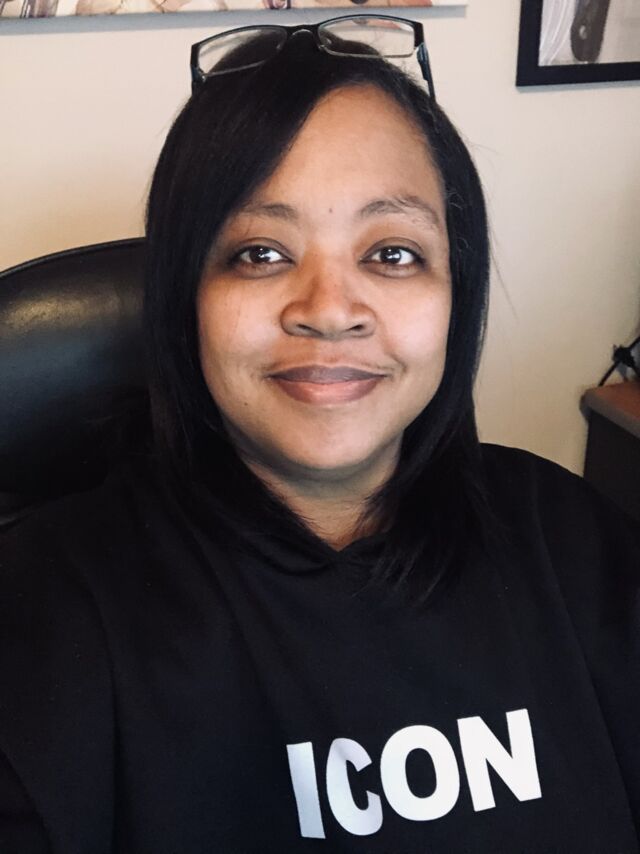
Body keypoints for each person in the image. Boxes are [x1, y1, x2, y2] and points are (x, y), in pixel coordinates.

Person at [0, 16, 638, 854]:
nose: (330, 311)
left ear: (458, 289)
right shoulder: (47, 611)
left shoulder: (568, 536)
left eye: (393, 254)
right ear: (185, 298)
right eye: (260, 253)